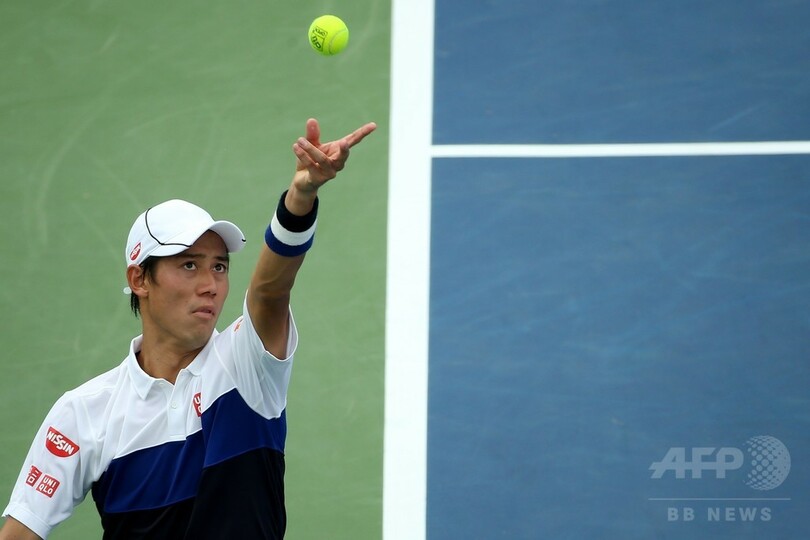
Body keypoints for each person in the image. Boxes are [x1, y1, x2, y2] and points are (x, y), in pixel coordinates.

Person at [0, 118, 377, 540]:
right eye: (189, 265)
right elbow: (20, 532)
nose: (210, 285)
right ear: (140, 279)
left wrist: (300, 197)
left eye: (219, 267)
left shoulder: (245, 365)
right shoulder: (83, 413)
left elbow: (271, 290)